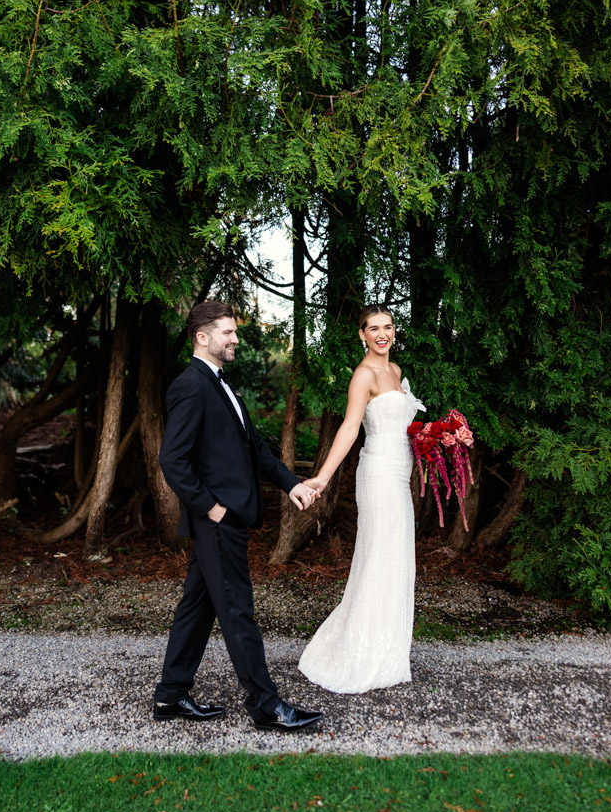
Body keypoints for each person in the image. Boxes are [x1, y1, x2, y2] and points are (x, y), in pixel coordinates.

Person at [154, 300, 323, 732]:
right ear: (202, 337)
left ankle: (170, 696)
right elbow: (173, 460)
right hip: (217, 521)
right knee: (237, 610)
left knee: (198, 606)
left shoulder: (220, 384)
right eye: (227, 332)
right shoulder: (190, 385)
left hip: (224, 518)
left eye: (234, 331)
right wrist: (212, 508)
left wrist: (292, 484)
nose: (235, 339)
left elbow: (256, 451)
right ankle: (266, 707)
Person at [298, 305, 425, 693]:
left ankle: (387, 649)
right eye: (374, 328)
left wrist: (431, 440)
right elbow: (351, 428)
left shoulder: (396, 371)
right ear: (362, 335)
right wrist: (323, 475)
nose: (382, 334)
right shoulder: (363, 375)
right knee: (378, 556)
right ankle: (361, 653)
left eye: (387, 327)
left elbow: (403, 424)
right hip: (378, 474)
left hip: (400, 471)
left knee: (395, 556)